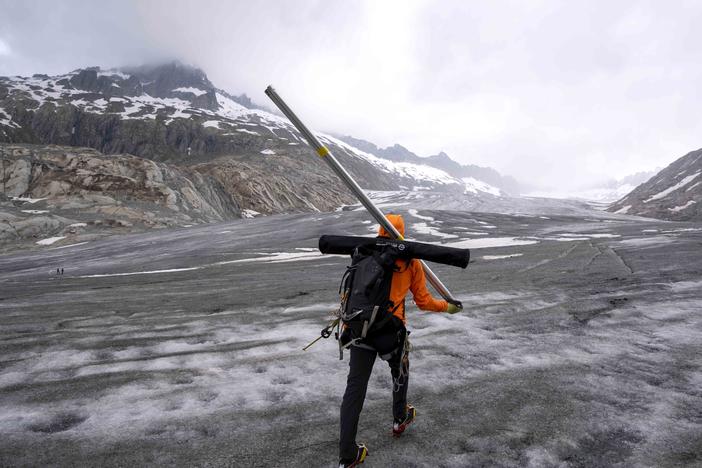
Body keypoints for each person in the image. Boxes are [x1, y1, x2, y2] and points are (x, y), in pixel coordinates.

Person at [338, 214, 461, 468]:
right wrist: (447, 308)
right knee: (400, 370)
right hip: (389, 333)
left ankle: (348, 454)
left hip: (359, 328)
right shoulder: (410, 261)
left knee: (355, 388)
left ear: (379, 230)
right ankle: (400, 418)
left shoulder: (362, 252)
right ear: (401, 232)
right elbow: (424, 302)